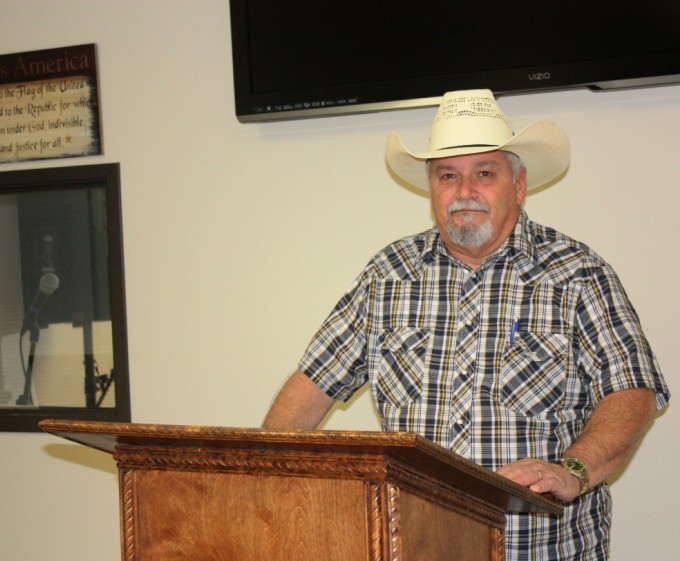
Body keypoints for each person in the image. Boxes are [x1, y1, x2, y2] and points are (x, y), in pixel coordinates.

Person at [262, 89, 670, 560]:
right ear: (431, 188)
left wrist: (574, 469)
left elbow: (634, 391)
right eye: (448, 176)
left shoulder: (577, 274)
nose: (464, 192)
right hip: (415, 548)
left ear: (518, 185)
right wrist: (271, 487)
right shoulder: (387, 276)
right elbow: (311, 387)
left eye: (484, 174)